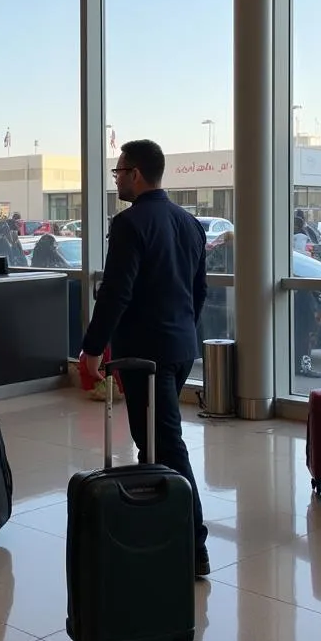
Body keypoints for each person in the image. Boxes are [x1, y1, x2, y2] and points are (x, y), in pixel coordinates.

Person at [80, 139, 211, 578]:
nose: (116, 179)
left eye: (118, 172)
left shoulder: (130, 223)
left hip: (145, 356)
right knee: (153, 441)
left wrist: (93, 348)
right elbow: (199, 293)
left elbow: (117, 291)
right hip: (180, 348)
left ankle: (193, 544)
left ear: (136, 173)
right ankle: (158, 529)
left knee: (165, 443)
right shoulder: (189, 223)